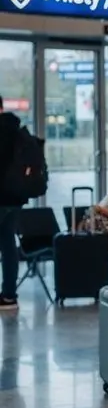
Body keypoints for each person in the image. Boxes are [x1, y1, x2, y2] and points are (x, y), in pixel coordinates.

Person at [0, 97, 22, 313]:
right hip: (15, 199)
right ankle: (9, 295)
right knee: (8, 247)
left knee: (7, 246)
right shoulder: (15, 130)